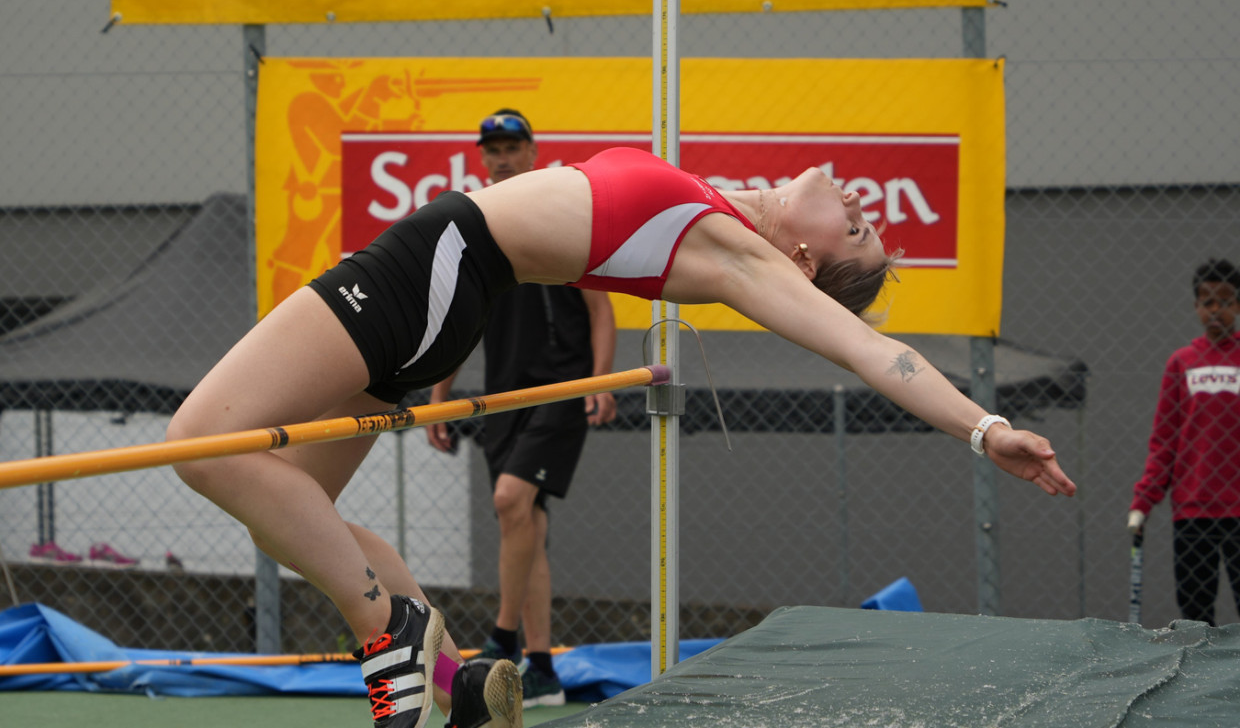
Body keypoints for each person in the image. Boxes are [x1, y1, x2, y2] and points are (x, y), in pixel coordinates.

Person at [166, 145, 1077, 728]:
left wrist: (985, 424)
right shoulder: (720, 211)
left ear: (804, 263)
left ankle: (388, 625)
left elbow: (879, 355)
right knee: (293, 499)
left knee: (201, 439)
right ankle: (458, 680)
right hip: (454, 291)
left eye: (860, 229)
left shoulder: (740, 258)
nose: (858, 204)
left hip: (439, 261)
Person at [425, 109, 617, 708]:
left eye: (512, 146)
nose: (502, 157)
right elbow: (463, 319)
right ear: (481, 158)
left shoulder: (560, 213)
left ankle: (501, 639)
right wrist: (439, 392)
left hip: (560, 389)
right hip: (501, 396)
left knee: (510, 501)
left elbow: (600, 310)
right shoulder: (476, 225)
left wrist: (600, 381)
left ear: (534, 152)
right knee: (524, 525)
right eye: (492, 149)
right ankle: (541, 671)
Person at [1128, 258, 1240, 626]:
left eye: (1225, 301)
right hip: (1193, 511)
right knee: (1195, 617)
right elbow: (1164, 439)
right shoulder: (1182, 363)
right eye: (1207, 302)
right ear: (1196, 307)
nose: (1216, 310)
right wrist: (1144, 501)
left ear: (1237, 306)